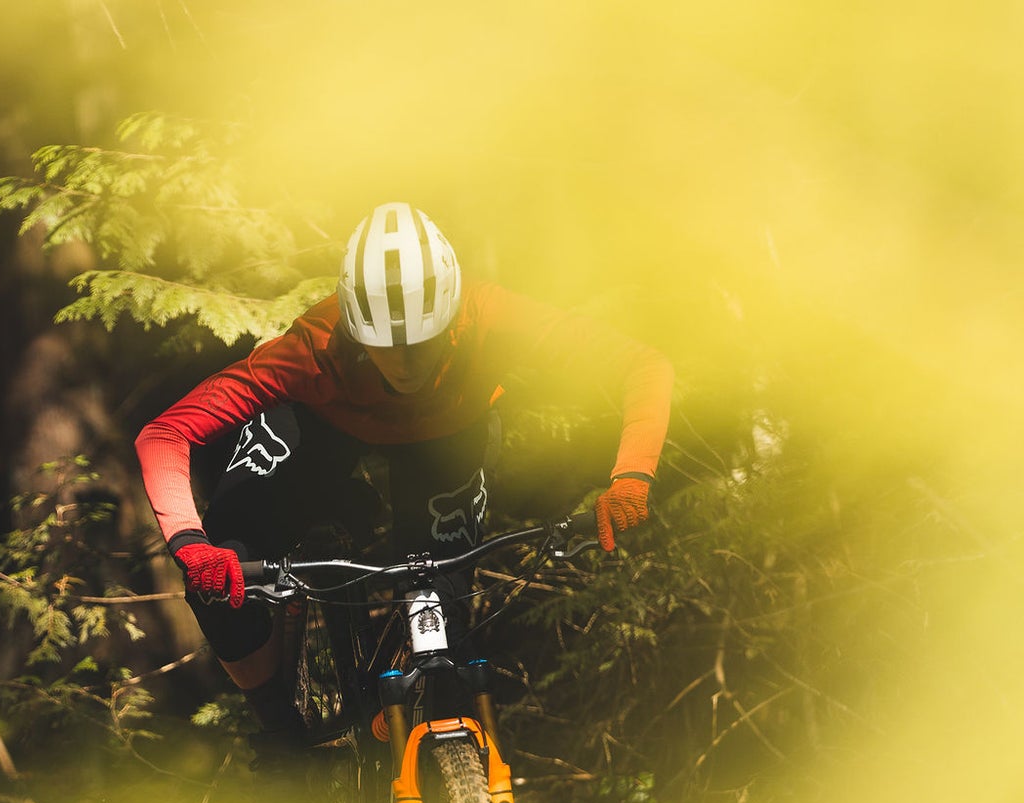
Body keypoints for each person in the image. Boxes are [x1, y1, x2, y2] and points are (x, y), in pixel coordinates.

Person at [134, 201, 673, 753]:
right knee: (226, 569)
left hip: (447, 438)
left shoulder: (489, 314)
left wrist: (632, 477)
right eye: (386, 345)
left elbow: (642, 364)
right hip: (318, 428)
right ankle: (278, 729)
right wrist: (191, 544)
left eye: (423, 340)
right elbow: (164, 435)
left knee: (442, 600)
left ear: (453, 313)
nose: (406, 361)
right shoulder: (313, 346)